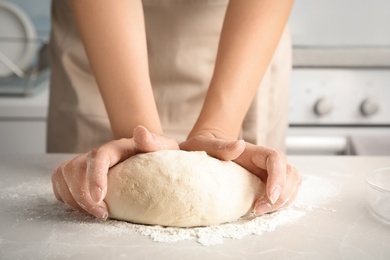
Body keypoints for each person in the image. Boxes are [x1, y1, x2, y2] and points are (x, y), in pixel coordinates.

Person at [49, 0, 301, 221]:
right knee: (92, 184)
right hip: (103, 39)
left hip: (243, 43)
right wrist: (138, 138)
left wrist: (218, 130)